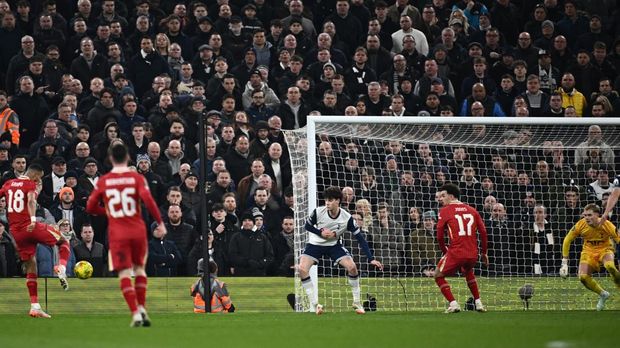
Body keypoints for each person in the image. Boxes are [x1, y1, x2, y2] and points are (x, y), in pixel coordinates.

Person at [86, 144, 165, 327]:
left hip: (118, 232)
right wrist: (160, 222)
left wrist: (107, 211)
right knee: (139, 269)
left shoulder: (104, 180)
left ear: (111, 158)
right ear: (128, 157)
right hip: (137, 229)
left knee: (124, 273)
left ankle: (135, 313)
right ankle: (143, 307)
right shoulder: (136, 178)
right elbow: (149, 201)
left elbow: (90, 207)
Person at [0, 163, 71, 318]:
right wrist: (33, 219)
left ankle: (35, 306)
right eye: (39, 179)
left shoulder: (8, 183)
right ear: (36, 176)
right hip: (29, 226)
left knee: (31, 263)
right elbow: (31, 200)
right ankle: (62, 267)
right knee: (64, 241)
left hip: (16, 232)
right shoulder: (30, 184)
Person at [300, 186, 383, 315]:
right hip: (315, 244)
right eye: (326, 200)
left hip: (334, 245)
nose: (327, 203)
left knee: (352, 267)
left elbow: (360, 239)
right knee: (302, 269)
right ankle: (315, 304)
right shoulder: (318, 212)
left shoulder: (347, 218)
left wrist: (371, 258)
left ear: (338, 201)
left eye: (331, 200)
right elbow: (307, 226)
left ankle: (357, 302)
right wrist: (320, 232)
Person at [434, 183, 488, 313]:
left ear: (451, 196)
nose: (441, 199)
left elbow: (439, 235)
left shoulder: (445, 211)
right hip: (472, 253)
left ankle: (453, 304)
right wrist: (484, 253)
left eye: (443, 196)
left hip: (456, 252)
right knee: (468, 271)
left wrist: (445, 251)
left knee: (437, 275)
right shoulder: (472, 210)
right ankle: (479, 303)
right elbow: (483, 232)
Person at [560, 203, 620, 311]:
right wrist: (564, 263)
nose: (586, 218)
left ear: (597, 215)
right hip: (588, 251)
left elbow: (618, 239)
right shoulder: (580, 224)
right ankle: (603, 294)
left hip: (605, 249)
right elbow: (567, 240)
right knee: (583, 278)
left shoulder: (607, 224)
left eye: (589, 215)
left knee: (610, 266)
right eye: (585, 215)